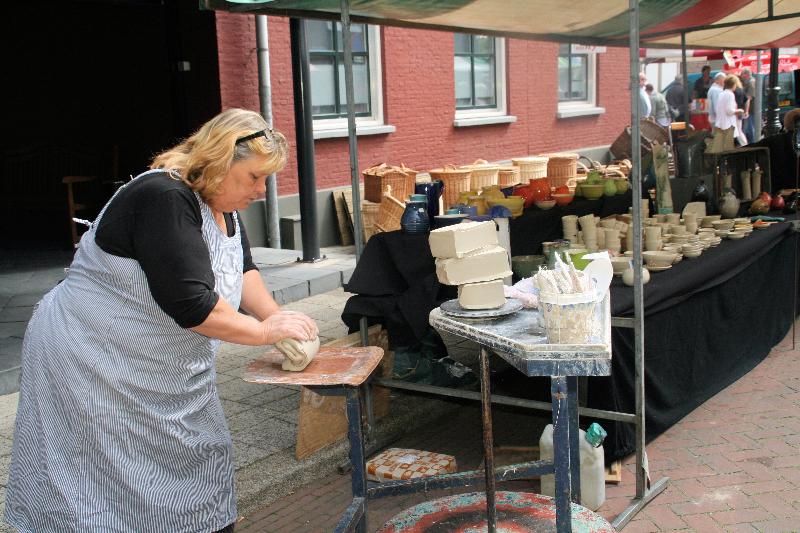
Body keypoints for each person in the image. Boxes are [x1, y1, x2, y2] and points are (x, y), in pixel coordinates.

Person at [4, 109, 319, 532]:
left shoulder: (221, 203)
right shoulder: (163, 197)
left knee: (190, 460)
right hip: (91, 356)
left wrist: (279, 318)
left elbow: (242, 272)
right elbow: (192, 305)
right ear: (218, 161)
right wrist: (264, 333)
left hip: (153, 362)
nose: (261, 190)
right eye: (254, 177)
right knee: (97, 477)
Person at [709, 75, 744, 153]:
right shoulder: (730, 95)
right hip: (728, 124)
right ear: (734, 84)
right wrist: (739, 110)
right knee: (732, 147)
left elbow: (718, 109)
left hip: (721, 123)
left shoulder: (722, 94)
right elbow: (729, 111)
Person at [741, 67, 757, 143]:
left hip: (751, 110)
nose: (741, 76)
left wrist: (746, 111)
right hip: (750, 110)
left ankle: (753, 143)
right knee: (748, 128)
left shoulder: (751, 82)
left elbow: (749, 98)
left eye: (742, 74)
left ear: (746, 74)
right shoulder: (748, 82)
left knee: (751, 129)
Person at [732, 75, 749, 146]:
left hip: (736, 113)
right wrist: (746, 111)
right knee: (739, 130)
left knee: (738, 131)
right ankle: (744, 144)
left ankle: (745, 145)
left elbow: (735, 103)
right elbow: (747, 100)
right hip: (740, 112)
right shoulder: (741, 90)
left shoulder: (734, 91)